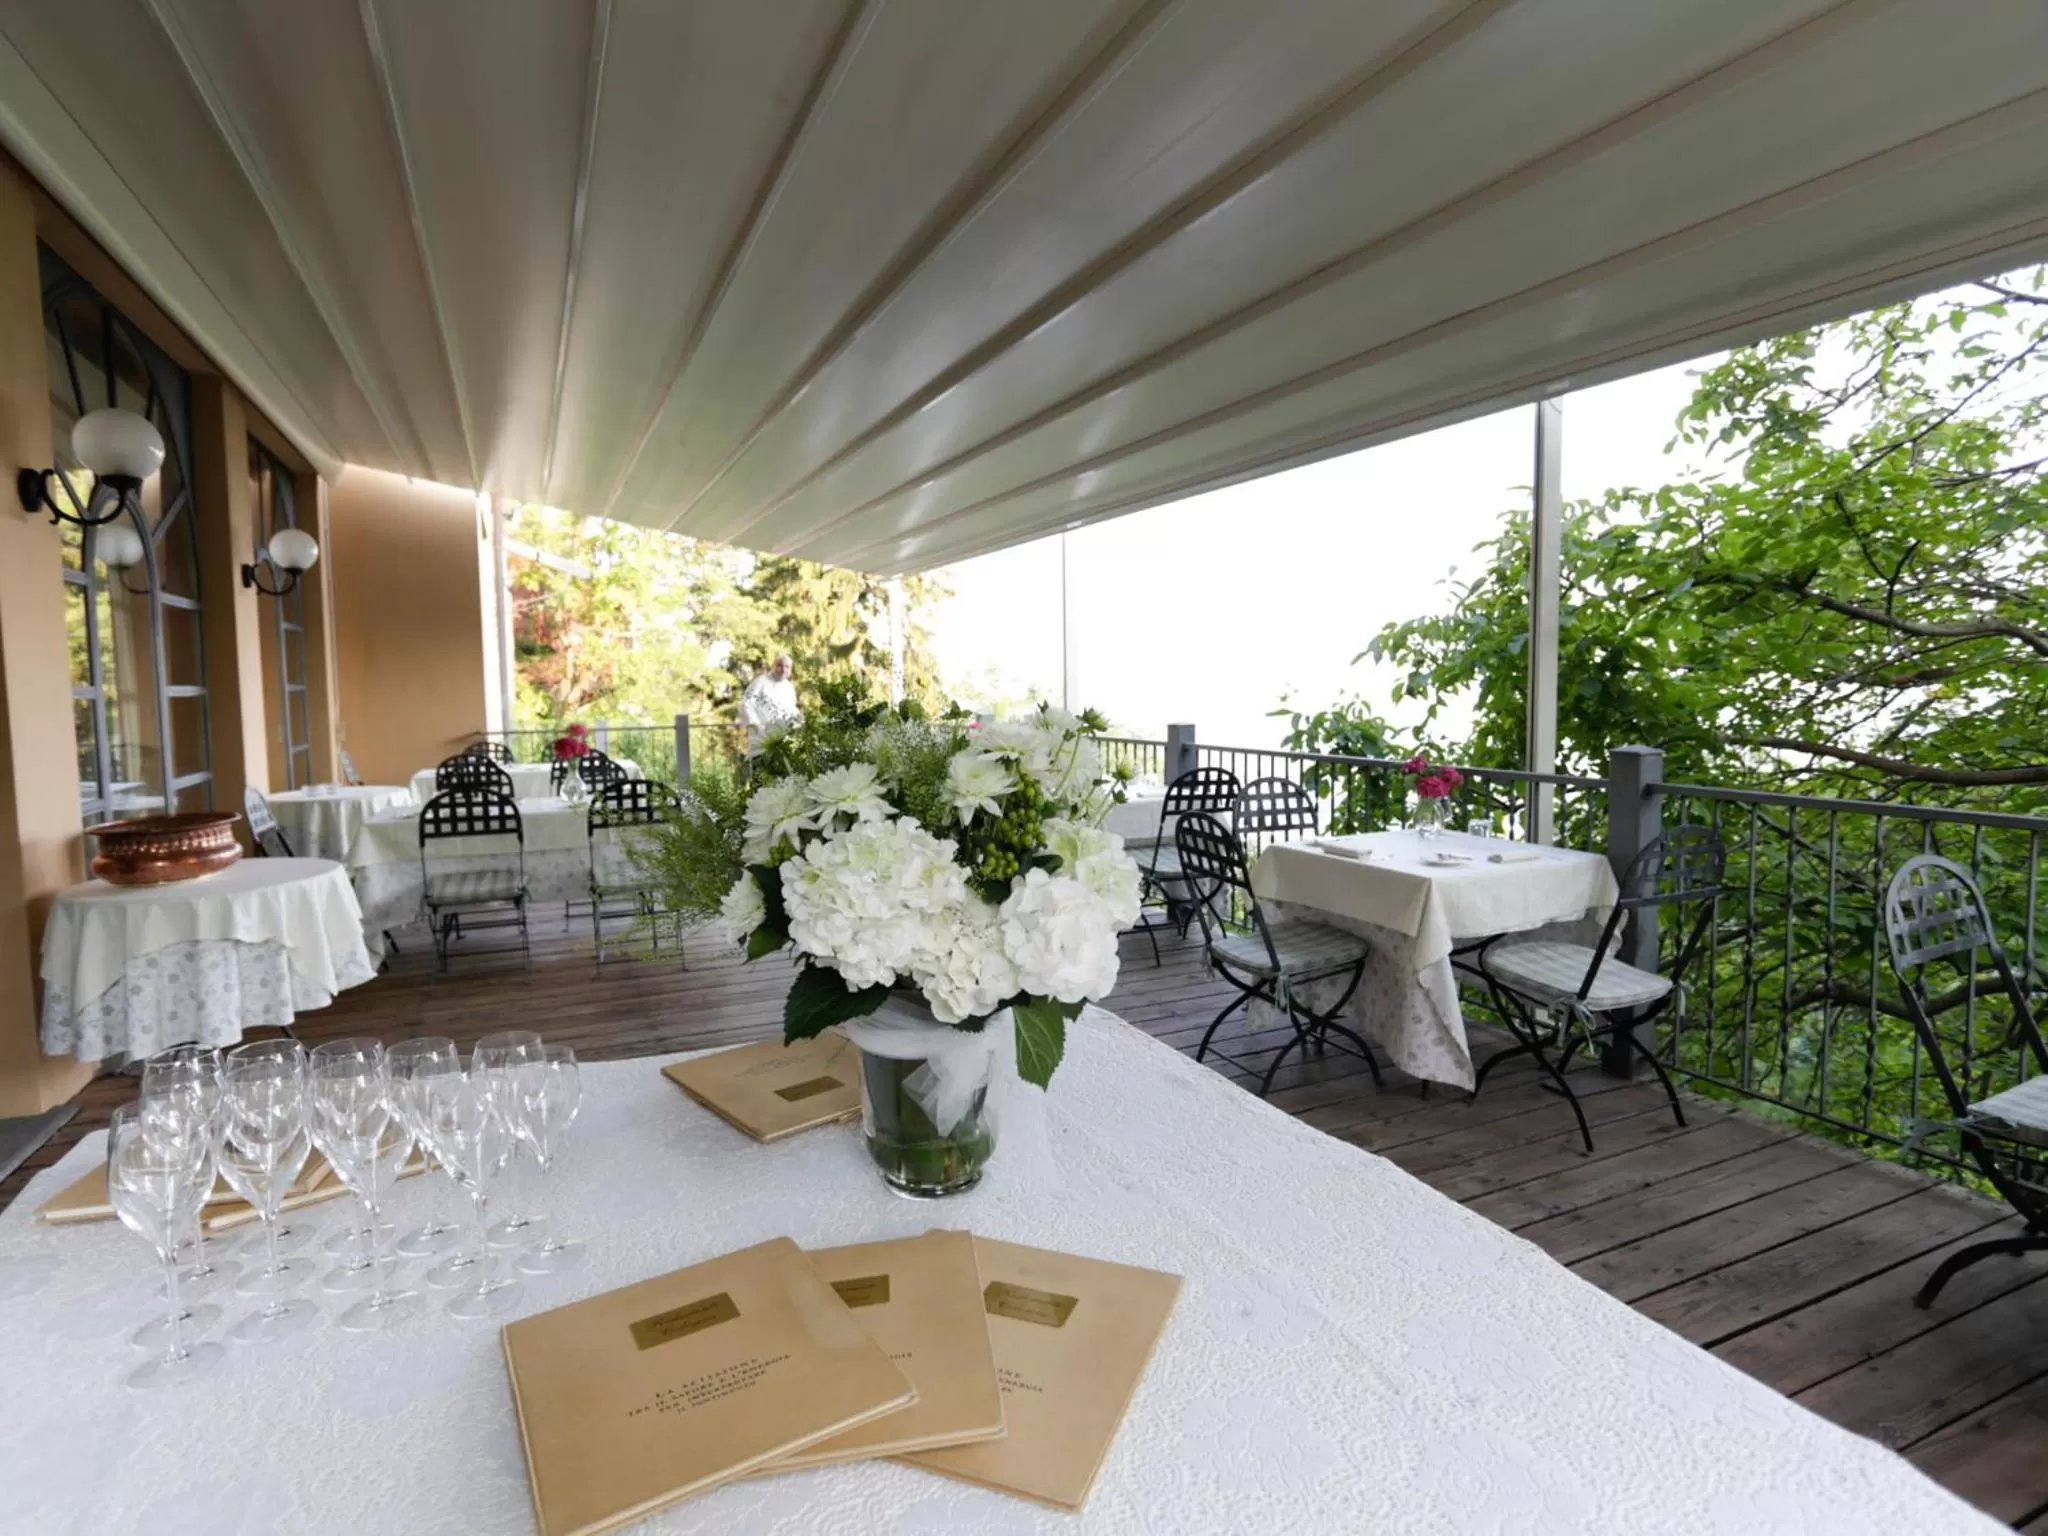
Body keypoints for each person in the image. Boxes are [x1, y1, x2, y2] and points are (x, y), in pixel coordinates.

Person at [739, 653, 801, 753]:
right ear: (774, 666)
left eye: (787, 667)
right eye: (780, 665)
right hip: (761, 738)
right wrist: (755, 725)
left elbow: (791, 709)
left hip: (783, 740)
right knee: (761, 767)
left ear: (790, 670)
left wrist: (799, 720)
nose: (783, 670)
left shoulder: (790, 688)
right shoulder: (760, 682)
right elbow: (746, 704)